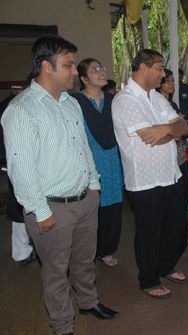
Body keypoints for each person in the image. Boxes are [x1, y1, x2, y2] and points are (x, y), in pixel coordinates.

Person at [1, 36, 118, 335]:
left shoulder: (70, 104)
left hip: (84, 200)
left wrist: (93, 186)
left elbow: (84, 148)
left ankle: (88, 302)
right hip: (51, 208)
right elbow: (20, 168)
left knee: (84, 261)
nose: (72, 72)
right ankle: (63, 325)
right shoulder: (22, 110)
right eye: (66, 66)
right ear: (45, 66)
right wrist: (41, 212)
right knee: (55, 272)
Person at [112, 49, 188, 299]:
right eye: (159, 68)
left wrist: (167, 127)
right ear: (143, 68)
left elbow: (183, 127)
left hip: (170, 174)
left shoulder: (156, 98)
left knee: (178, 229)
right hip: (144, 180)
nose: (163, 74)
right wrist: (171, 129)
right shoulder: (125, 100)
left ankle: (166, 266)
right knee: (150, 233)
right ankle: (148, 278)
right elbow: (149, 138)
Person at [74, 58, 124, 267]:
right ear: (84, 78)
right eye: (95, 69)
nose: (102, 71)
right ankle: (87, 253)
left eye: (102, 67)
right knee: (90, 213)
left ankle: (106, 250)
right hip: (89, 162)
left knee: (113, 209)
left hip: (113, 161)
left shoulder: (114, 101)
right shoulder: (75, 103)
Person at [158, 69, 188, 233]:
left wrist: (183, 127)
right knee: (174, 192)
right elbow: (172, 129)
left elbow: (182, 128)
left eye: (174, 80)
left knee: (186, 189)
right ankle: (175, 227)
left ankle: (181, 222)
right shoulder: (157, 103)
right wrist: (180, 128)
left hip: (180, 153)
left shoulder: (172, 104)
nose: (172, 84)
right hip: (167, 154)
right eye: (168, 81)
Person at [0, 90, 35, 265]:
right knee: (20, 209)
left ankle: (23, 251)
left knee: (21, 210)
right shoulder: (15, 107)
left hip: (14, 163)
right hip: (15, 165)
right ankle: (22, 252)